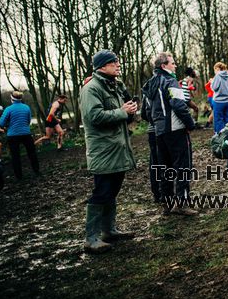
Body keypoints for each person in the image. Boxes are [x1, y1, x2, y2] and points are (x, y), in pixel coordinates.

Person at [80, 50, 136, 253]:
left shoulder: (114, 86)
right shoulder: (91, 89)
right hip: (103, 150)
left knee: (112, 191)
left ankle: (109, 231)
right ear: (102, 66)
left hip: (117, 148)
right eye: (113, 62)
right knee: (101, 192)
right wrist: (122, 112)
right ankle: (91, 238)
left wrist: (129, 110)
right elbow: (94, 116)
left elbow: (122, 112)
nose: (118, 65)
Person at [144, 52, 197, 215]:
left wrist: (157, 123)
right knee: (183, 166)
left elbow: (145, 112)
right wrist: (190, 124)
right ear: (164, 66)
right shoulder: (170, 81)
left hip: (159, 132)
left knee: (164, 167)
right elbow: (179, 105)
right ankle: (182, 204)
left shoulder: (148, 85)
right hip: (175, 130)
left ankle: (167, 204)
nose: (175, 66)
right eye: (172, 63)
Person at [0, 91, 41, 181]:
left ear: (12, 99)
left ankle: (19, 176)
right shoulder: (26, 107)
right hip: (26, 134)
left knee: (15, 156)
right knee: (32, 153)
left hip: (13, 135)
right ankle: (37, 171)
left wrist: (7, 123)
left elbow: (1, 124)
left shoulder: (8, 109)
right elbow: (28, 121)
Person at [141, 74, 161, 203]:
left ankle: (157, 193)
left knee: (154, 162)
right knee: (165, 161)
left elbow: (143, 113)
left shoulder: (147, 89)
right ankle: (165, 193)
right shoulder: (166, 84)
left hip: (151, 131)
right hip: (163, 130)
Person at [211, 62, 228, 133]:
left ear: (217, 68)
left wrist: (212, 82)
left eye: (214, 70)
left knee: (218, 120)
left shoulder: (218, 76)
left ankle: (220, 137)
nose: (214, 72)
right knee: (227, 119)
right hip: (227, 101)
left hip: (218, 102)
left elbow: (214, 88)